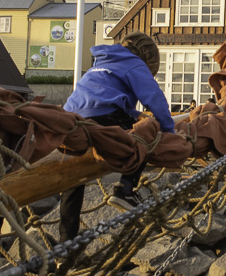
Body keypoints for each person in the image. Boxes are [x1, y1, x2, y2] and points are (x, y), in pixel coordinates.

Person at [58, 31, 175, 238]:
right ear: (148, 60)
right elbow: (154, 98)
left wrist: (133, 112)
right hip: (104, 115)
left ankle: (65, 242)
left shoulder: (101, 63)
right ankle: (125, 189)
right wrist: (169, 130)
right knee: (144, 134)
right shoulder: (135, 64)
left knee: (73, 181)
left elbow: (101, 93)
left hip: (72, 120)